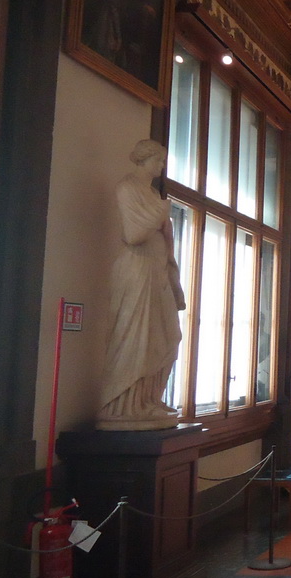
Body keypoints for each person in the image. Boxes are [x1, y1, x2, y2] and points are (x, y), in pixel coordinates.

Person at [97, 139, 185, 431]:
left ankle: (148, 400)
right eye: (159, 160)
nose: (162, 166)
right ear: (145, 159)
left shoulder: (151, 193)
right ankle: (125, 405)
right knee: (137, 336)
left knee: (167, 335)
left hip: (157, 271)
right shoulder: (127, 188)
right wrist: (161, 213)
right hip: (138, 270)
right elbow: (134, 234)